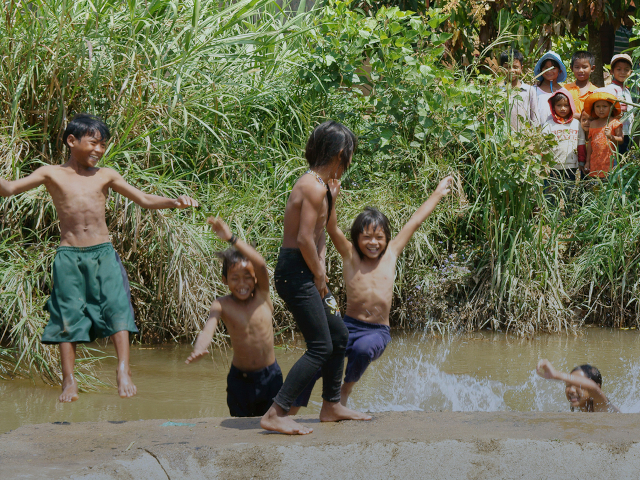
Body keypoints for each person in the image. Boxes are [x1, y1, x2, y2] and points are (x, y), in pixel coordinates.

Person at [0, 114, 198, 403]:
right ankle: (69, 381)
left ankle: (122, 370)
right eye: (93, 143)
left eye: (103, 145)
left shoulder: (106, 175)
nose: (99, 150)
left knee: (118, 306)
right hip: (68, 255)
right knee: (67, 316)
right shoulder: (50, 173)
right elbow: (8, 189)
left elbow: (143, 199)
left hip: (102, 252)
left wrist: (173, 201)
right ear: (72, 141)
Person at [289, 176, 453, 412]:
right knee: (316, 362)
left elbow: (415, 222)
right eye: (366, 237)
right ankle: (290, 409)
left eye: (379, 237)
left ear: (387, 239)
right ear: (356, 238)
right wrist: (331, 199)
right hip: (347, 326)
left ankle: (345, 390)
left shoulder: (392, 254)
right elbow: (332, 228)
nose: (373, 242)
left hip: (377, 331)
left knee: (363, 350)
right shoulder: (350, 256)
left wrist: (437, 193)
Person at [260, 121, 371, 435]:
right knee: (321, 345)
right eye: (349, 155)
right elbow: (306, 239)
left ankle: (331, 405)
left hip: (309, 273)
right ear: (340, 153)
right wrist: (320, 276)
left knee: (339, 335)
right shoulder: (311, 185)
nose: (349, 162)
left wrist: (333, 198)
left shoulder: (323, 187)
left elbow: (328, 230)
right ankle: (275, 412)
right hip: (297, 273)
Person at [185, 217, 282, 417]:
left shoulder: (263, 296)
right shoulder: (222, 304)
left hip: (270, 376)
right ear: (224, 280)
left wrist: (231, 238)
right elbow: (208, 328)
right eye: (235, 278)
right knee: (239, 433)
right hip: (240, 380)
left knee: (272, 431)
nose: (242, 283)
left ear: (256, 278)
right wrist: (200, 348)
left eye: (247, 276)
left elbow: (260, 264)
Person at [536, 359, 620, 412]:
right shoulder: (578, 412)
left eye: (578, 385)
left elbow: (592, 386)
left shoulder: (603, 407)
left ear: (598, 387)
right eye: (568, 385)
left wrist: (556, 375)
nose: (571, 390)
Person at [542, 89, 580, 203]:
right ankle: (551, 218)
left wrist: (581, 162)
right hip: (553, 167)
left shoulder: (576, 124)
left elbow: (581, 143)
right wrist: (544, 164)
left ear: (571, 106)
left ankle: (568, 218)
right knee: (551, 196)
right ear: (553, 107)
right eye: (559, 105)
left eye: (566, 105)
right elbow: (543, 146)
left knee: (569, 195)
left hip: (571, 167)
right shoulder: (549, 125)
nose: (563, 108)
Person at [583, 92, 623, 178]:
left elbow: (621, 140)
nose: (601, 109)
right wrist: (587, 161)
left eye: (604, 106)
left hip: (610, 161)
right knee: (596, 186)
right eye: (597, 106)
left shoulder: (614, 123)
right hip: (595, 161)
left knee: (609, 185)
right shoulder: (593, 124)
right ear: (593, 108)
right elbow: (590, 144)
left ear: (611, 108)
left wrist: (611, 137)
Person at [498, 48, 539, 131]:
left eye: (515, 67)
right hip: (503, 140)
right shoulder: (498, 92)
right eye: (507, 67)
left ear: (521, 68)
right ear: (501, 69)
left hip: (524, 139)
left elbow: (535, 119)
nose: (511, 70)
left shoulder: (529, 90)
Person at [601, 54, 634, 154]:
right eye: (619, 69)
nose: (622, 72)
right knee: (617, 159)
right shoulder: (611, 89)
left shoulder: (627, 91)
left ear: (631, 72)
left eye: (626, 70)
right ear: (612, 71)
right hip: (617, 134)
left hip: (628, 132)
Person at [533, 51, 567, 123]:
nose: (549, 71)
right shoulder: (533, 90)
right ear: (541, 70)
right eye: (546, 68)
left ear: (559, 71)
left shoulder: (564, 92)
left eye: (553, 68)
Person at [563, 51, 597, 119]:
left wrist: (580, 117)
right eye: (577, 67)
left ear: (592, 68)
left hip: (589, 128)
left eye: (585, 67)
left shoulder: (596, 92)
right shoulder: (565, 89)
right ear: (572, 68)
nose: (581, 70)